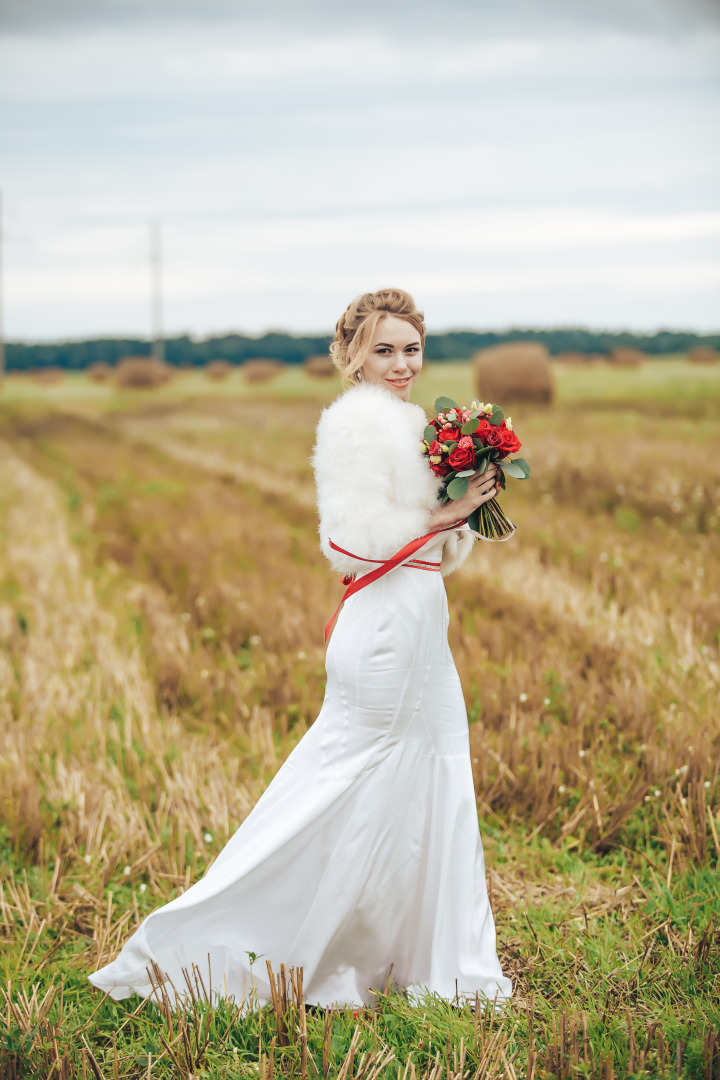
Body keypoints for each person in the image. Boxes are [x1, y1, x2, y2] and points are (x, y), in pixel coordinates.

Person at [88, 288, 512, 1009]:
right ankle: (245, 936)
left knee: (432, 773)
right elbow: (349, 543)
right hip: (380, 628)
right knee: (345, 778)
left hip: (419, 619)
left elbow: (430, 549)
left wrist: (464, 508)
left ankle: (419, 954)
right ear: (351, 355)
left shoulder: (412, 423)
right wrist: (443, 510)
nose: (402, 363)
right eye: (384, 349)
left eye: (411, 348)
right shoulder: (353, 426)